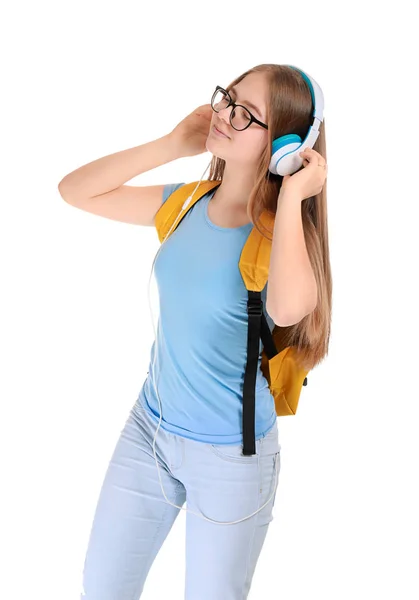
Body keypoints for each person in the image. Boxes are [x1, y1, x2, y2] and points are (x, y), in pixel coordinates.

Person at [58, 63, 331, 600]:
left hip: (232, 460)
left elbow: (289, 305)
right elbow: (75, 192)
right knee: (101, 587)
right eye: (228, 99)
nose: (226, 115)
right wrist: (171, 142)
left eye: (248, 115)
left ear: (286, 146)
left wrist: (295, 196)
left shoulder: (280, 236)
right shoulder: (185, 203)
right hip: (149, 432)